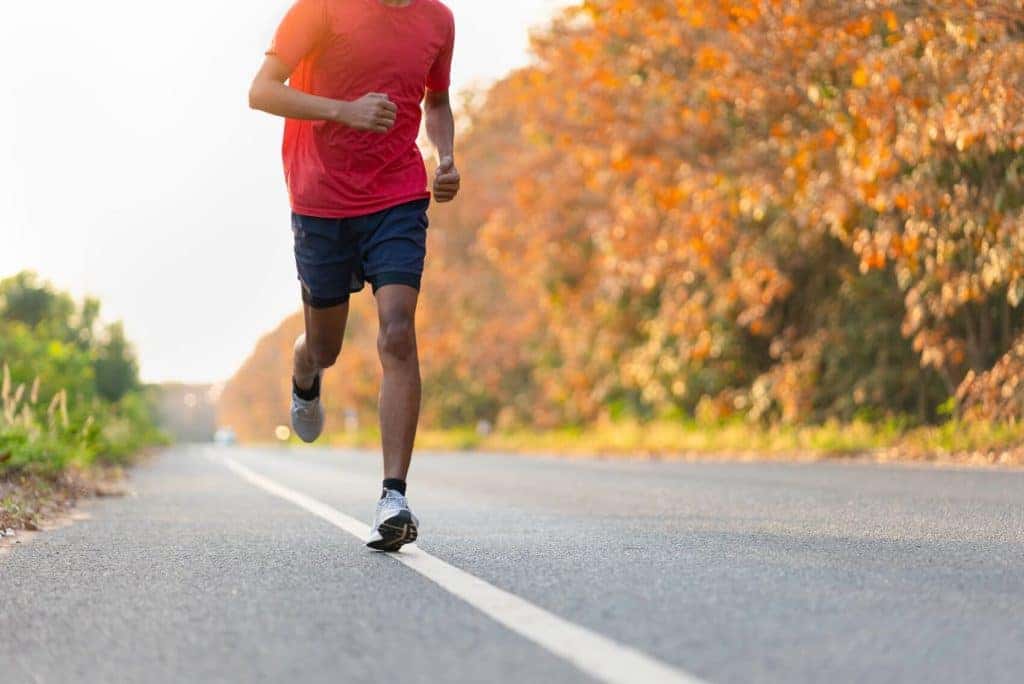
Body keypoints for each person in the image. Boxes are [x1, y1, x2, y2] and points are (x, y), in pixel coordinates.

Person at [248, 0, 459, 552]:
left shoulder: (437, 20)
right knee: (326, 348)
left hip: (397, 194)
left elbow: (437, 101)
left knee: (396, 331)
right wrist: (345, 111)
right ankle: (304, 369)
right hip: (320, 199)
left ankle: (394, 497)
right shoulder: (319, 9)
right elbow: (262, 90)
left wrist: (445, 157)